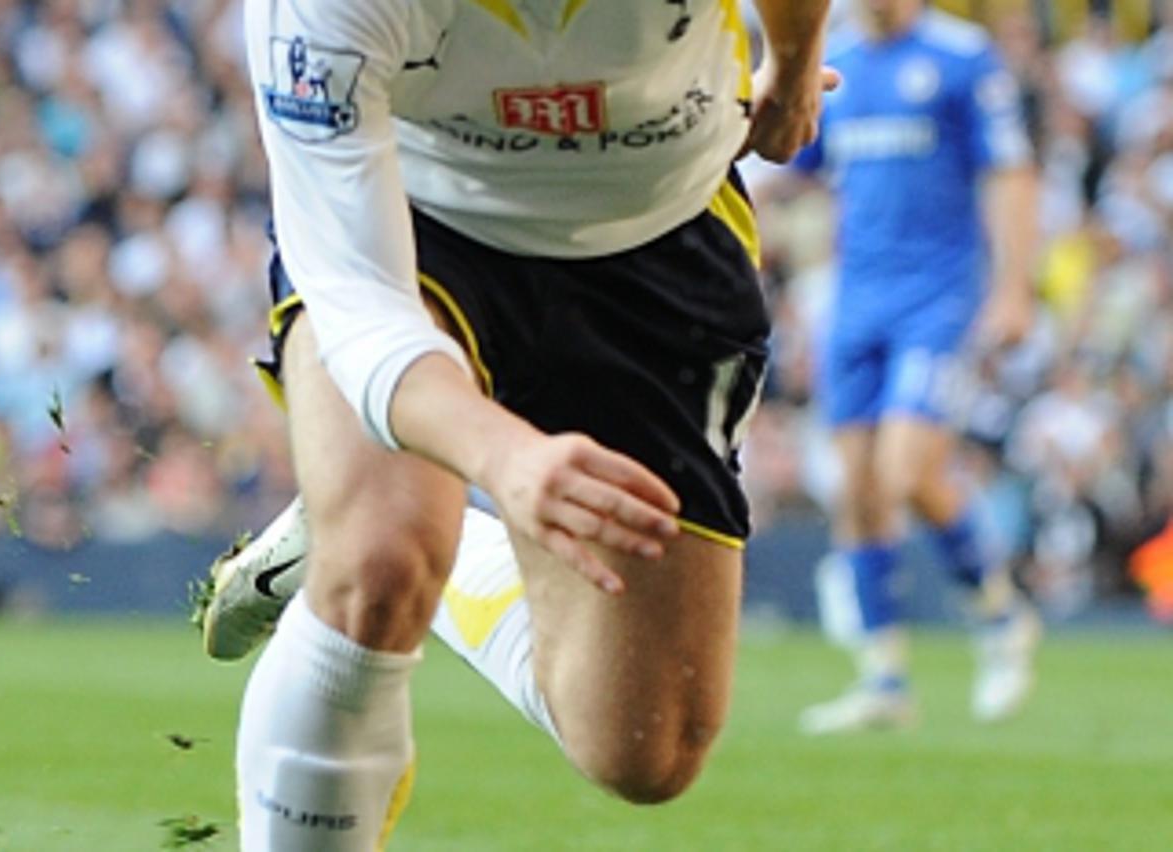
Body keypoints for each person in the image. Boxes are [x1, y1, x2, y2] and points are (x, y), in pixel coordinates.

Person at [223, 0, 836, 848]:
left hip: (658, 230)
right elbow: (363, 308)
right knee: (378, 562)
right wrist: (505, 456)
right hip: (417, 218)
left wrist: (796, 66)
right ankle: (372, 528)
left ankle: (423, 546)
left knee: (644, 750)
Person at [785, 0, 1043, 735]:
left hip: (937, 295)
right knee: (860, 488)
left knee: (905, 470)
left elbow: (1010, 171)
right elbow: (795, 163)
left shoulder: (962, 58)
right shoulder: (836, 60)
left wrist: (1014, 288)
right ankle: (885, 679)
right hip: (856, 296)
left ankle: (998, 614)